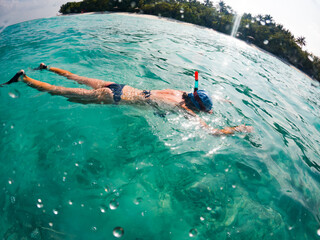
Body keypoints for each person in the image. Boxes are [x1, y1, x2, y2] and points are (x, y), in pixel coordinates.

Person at [2, 63, 253, 135]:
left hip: (120, 85)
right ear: (198, 108)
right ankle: (24, 78)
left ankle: (46, 67)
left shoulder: (180, 92)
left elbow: (199, 96)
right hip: (113, 97)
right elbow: (212, 133)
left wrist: (220, 100)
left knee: (74, 77)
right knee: (61, 93)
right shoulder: (184, 109)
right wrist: (237, 129)